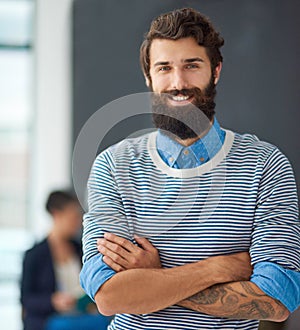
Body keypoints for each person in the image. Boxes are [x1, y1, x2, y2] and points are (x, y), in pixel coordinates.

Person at [80, 8, 300, 330]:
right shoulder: (113, 166)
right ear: (148, 77)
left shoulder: (265, 164)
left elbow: (276, 302)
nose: (178, 82)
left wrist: (152, 279)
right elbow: (110, 297)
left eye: (192, 66)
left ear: (216, 71)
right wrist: (218, 268)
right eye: (164, 68)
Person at [20, 190, 112, 330]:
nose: (78, 222)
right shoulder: (35, 254)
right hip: (51, 318)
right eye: (73, 216)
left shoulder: (79, 249)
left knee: (109, 320)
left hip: (82, 313)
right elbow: (26, 299)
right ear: (57, 214)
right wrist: (53, 301)